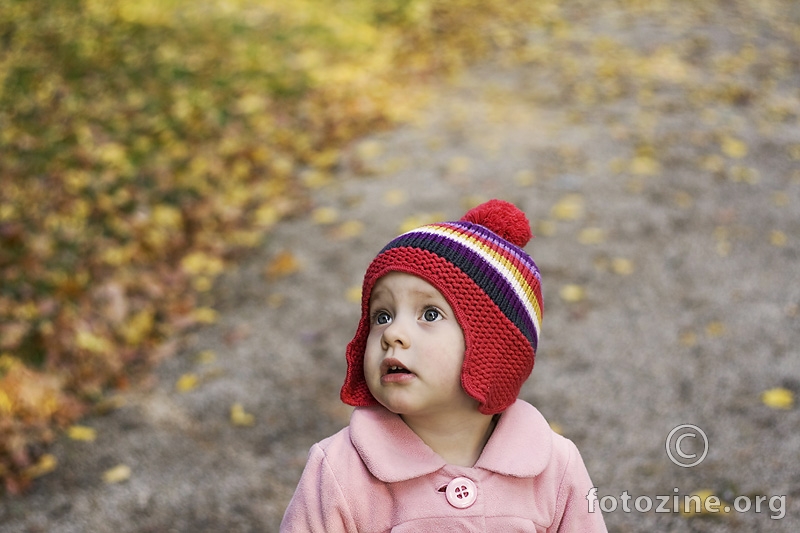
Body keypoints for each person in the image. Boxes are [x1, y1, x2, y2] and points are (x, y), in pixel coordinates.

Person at [280, 199, 607, 532]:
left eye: (430, 314)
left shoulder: (553, 465)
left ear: (492, 349)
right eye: (383, 316)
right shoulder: (340, 470)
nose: (393, 333)